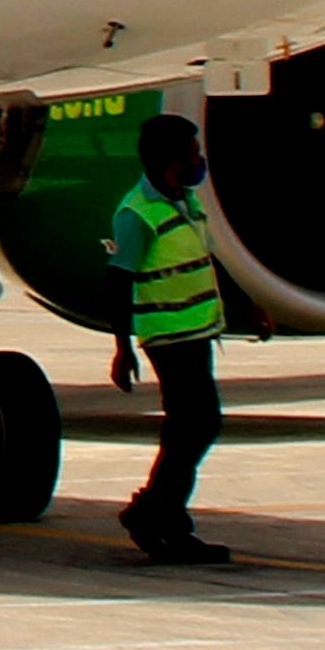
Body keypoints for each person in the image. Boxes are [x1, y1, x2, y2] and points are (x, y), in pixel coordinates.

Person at [108, 113, 230, 565]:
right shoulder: (137, 215)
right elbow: (118, 282)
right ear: (171, 161)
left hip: (195, 332)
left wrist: (247, 309)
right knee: (196, 425)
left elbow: (203, 261)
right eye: (194, 153)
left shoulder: (184, 202)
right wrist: (122, 348)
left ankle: (157, 513)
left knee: (192, 427)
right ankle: (158, 515)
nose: (200, 161)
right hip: (168, 336)